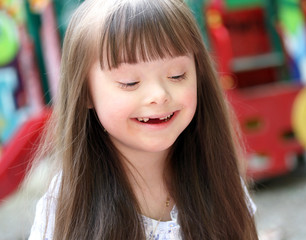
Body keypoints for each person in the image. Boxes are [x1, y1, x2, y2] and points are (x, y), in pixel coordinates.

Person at [28, 0, 258, 239]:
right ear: (85, 92)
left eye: (177, 76)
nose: (159, 95)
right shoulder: (66, 203)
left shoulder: (219, 179)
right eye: (130, 82)